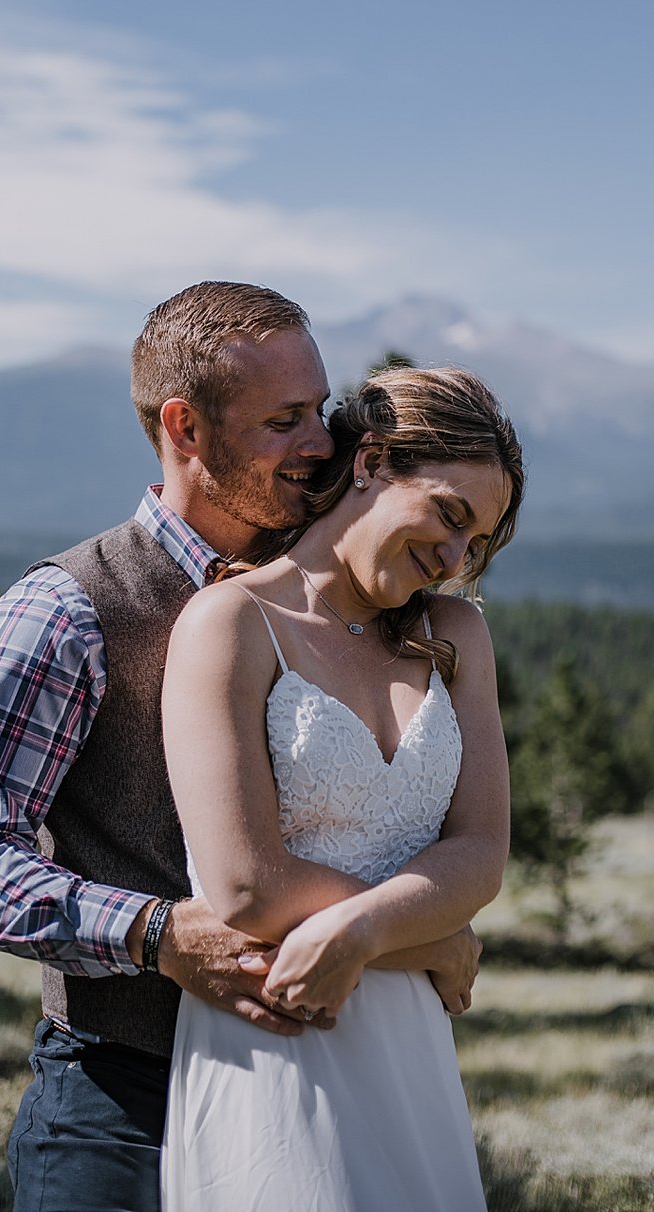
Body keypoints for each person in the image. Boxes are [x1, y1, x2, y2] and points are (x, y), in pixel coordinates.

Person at [0, 282, 482, 1212]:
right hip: (118, 1095)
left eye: (320, 409)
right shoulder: (66, 611)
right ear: (184, 427)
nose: (321, 441)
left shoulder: (350, 592)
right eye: (284, 420)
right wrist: (156, 933)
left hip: (320, 1082)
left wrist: (408, 928)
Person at [160, 364, 524, 1211]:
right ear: (370, 464)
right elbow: (247, 885)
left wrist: (362, 932)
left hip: (413, 1057)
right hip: (276, 1049)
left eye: (476, 544)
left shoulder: (457, 634)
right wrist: (424, 943)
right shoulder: (233, 622)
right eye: (447, 514)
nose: (452, 556)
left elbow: (479, 853)